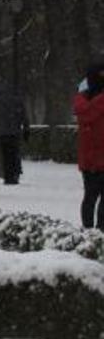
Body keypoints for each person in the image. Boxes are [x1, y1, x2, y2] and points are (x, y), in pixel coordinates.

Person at [74, 61, 104, 228]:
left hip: (88, 159)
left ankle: (87, 230)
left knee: (89, 197)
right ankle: (101, 233)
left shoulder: (81, 102)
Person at [0, 84, 29, 185]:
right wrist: (26, 128)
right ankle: (15, 174)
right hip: (15, 132)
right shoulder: (18, 101)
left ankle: (7, 175)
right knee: (15, 154)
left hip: (3, 132)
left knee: (5, 155)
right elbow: (24, 116)